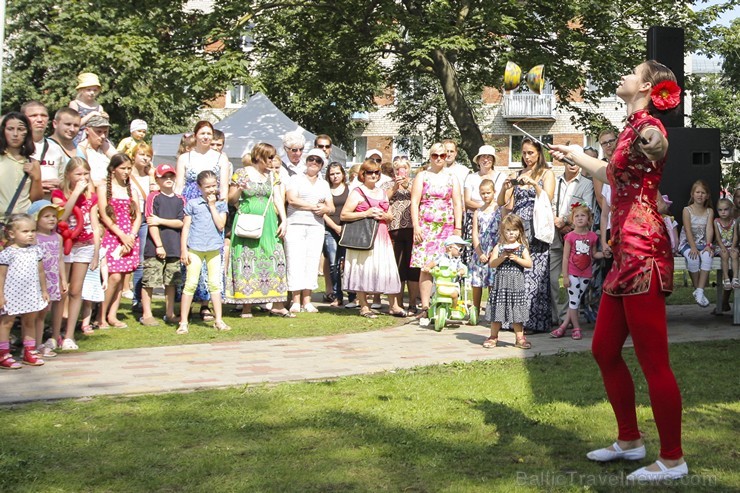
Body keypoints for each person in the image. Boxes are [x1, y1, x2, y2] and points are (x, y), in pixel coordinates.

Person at [550, 60, 687, 481]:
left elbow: (657, 145)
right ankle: (629, 440)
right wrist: (577, 156)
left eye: (632, 71)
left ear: (645, 85)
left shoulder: (648, 127)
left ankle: (673, 459)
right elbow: (610, 173)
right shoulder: (627, 127)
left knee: (653, 361)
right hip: (623, 252)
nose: (623, 74)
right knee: (604, 349)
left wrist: (651, 138)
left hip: (644, 249)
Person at [225, 143, 293, 317]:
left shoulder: (273, 176)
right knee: (247, 258)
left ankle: (277, 303)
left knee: (275, 256)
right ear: (260, 156)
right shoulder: (242, 173)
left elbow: (278, 198)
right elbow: (231, 199)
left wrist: (283, 220)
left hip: (268, 220)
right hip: (246, 219)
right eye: (269, 157)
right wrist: (239, 189)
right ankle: (246, 305)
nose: (272, 161)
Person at [174, 121, 231, 321]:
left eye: (209, 134)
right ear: (196, 135)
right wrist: (178, 207)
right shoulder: (185, 157)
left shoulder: (220, 157)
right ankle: (187, 303)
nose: (206, 137)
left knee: (211, 258)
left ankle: (206, 305)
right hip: (191, 203)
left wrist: (219, 206)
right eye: (203, 133)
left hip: (213, 205)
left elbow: (224, 186)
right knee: (191, 255)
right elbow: (179, 184)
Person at [497, 138, 555, 333]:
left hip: (537, 227)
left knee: (535, 275)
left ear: (539, 153)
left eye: (530, 153)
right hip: (519, 228)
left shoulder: (546, 173)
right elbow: (503, 203)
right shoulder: (518, 173)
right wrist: (505, 187)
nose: (527, 157)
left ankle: (533, 321)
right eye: (524, 153)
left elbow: (548, 198)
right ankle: (513, 320)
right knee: (517, 273)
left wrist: (534, 184)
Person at [341, 159, 401, 319]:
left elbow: (389, 215)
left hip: (382, 235)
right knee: (363, 268)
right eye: (369, 172)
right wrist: (365, 213)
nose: (373, 175)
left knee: (386, 268)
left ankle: (394, 306)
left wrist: (385, 215)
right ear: (363, 174)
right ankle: (364, 306)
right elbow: (344, 214)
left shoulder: (381, 192)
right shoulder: (357, 192)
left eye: (376, 172)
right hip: (364, 236)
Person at [410, 142, 462, 327]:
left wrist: (458, 228)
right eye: (435, 155)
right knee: (426, 267)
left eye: (443, 155)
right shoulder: (422, 176)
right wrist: (416, 226)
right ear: (430, 156)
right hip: (426, 227)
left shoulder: (452, 177)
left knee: (447, 266)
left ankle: (446, 304)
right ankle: (424, 306)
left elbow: (457, 203)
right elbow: (414, 202)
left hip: (446, 228)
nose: (439, 158)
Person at [51, 157, 101, 351]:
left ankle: (70, 335)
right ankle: (55, 335)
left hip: (85, 245)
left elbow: (95, 226)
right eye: (78, 174)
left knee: (75, 291)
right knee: (62, 291)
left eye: (85, 174)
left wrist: (96, 253)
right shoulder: (58, 194)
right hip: (64, 245)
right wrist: (76, 193)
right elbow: (61, 216)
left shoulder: (92, 197)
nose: (83, 177)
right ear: (68, 175)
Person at [178, 170, 229, 334]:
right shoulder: (193, 204)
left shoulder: (221, 204)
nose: (211, 189)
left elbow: (221, 225)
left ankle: (218, 320)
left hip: (214, 248)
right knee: (191, 283)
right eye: (207, 187)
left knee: (215, 284)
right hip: (195, 248)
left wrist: (213, 206)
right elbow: (186, 227)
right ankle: (183, 322)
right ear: (199, 187)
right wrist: (183, 250)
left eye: (214, 186)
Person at [285, 149, 334, 313]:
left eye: (318, 161)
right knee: (294, 260)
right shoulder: (295, 178)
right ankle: (295, 300)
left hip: (316, 226)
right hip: (295, 223)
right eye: (311, 159)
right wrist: (314, 206)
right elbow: (292, 200)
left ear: (322, 165)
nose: (314, 163)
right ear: (306, 161)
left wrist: (325, 208)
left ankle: (307, 300)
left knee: (312, 261)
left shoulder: (324, 184)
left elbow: (331, 207)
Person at [97, 154, 142, 328]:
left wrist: (131, 235)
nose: (126, 171)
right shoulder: (103, 189)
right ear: (113, 169)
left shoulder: (132, 190)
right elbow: (105, 215)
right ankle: (101, 315)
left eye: (129, 168)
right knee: (113, 277)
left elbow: (137, 216)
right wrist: (121, 235)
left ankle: (112, 315)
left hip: (129, 237)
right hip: (112, 236)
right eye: (122, 168)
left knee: (123, 275)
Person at [0, 214, 49, 368]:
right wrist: (0, 295)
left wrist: (44, 290)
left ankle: (29, 351)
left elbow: (41, 272)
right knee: (7, 322)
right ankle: (3, 354)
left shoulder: (36, 250)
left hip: (31, 293)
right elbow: (1, 275)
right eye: (25, 231)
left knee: (29, 321)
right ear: (12, 234)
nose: (30, 234)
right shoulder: (7, 253)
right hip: (12, 294)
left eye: (33, 231)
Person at [550, 158, 594, 326]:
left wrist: (567, 223)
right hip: (555, 235)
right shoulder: (555, 181)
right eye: (568, 160)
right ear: (562, 162)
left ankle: (566, 318)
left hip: (576, 237)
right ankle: (556, 315)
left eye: (575, 160)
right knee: (552, 278)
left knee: (573, 280)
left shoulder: (586, 184)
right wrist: (557, 223)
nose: (572, 163)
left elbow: (587, 208)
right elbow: (549, 205)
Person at [140, 164, 184, 326]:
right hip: (154, 247)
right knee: (150, 281)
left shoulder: (180, 199)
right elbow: (151, 222)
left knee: (171, 282)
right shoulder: (153, 197)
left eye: (171, 176)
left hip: (174, 247)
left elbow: (181, 222)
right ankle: (147, 314)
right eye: (164, 176)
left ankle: (170, 313)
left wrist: (161, 220)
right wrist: (159, 245)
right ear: (157, 179)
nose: (168, 179)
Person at [551, 204, 603, 340]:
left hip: (585, 274)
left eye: (583, 216)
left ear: (589, 219)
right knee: (574, 301)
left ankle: (563, 327)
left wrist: (604, 254)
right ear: (572, 219)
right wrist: (566, 276)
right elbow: (565, 257)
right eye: (577, 216)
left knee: (576, 301)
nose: (580, 218)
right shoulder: (570, 237)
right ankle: (576, 328)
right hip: (573, 273)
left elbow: (594, 254)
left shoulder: (592, 237)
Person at [484, 214, 532, 349]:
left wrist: (517, 259)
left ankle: (520, 338)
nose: (511, 233)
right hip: (501, 284)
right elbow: (492, 264)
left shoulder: (522, 247)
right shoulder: (499, 247)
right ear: (503, 231)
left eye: (514, 230)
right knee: (497, 310)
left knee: (517, 311)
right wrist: (503, 257)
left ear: (520, 231)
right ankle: (493, 336)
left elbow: (528, 263)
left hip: (516, 284)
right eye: (508, 230)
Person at [28, 200, 66, 357]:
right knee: (33, 314)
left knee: (43, 313)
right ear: (36, 219)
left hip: (51, 281)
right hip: (36, 282)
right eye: (46, 216)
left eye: (54, 216)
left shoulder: (58, 238)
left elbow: (60, 259)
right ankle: (32, 345)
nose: (52, 219)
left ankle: (38, 344)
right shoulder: (34, 237)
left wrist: (63, 279)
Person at [383, 156, 419, 316]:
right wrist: (395, 188)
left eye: (403, 168)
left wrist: (406, 185)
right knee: (397, 268)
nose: (400, 171)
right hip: (394, 229)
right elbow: (383, 200)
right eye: (397, 168)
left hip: (412, 229)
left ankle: (412, 303)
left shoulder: (414, 183)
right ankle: (397, 304)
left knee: (412, 268)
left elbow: (420, 198)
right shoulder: (387, 185)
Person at [463, 145, 506, 265]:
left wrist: (491, 210)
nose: (486, 160)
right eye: (483, 157)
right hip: (476, 219)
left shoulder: (501, 177)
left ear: (493, 160)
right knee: (475, 258)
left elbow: (505, 199)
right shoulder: (471, 177)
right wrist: (484, 209)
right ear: (478, 159)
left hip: (496, 220)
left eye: (489, 157)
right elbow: (467, 200)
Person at [0, 112, 44, 222]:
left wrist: (36, 178)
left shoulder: (33, 163)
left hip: (24, 223)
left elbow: (36, 198)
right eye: (10, 129)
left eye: (20, 129)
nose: (15, 134)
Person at [677, 179, 714, 307]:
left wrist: (708, 245)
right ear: (692, 194)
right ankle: (697, 289)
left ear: (707, 196)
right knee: (693, 258)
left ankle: (699, 291)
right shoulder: (687, 210)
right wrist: (692, 247)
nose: (700, 195)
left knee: (707, 256)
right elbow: (687, 229)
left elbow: (709, 229)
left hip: (703, 243)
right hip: (687, 243)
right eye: (697, 192)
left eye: (703, 193)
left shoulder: (709, 211)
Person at [129, 143, 156, 311]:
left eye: (148, 155)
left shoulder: (150, 176)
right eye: (142, 154)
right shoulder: (126, 174)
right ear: (134, 156)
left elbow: (154, 195)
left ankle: (137, 299)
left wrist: (152, 175)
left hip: (145, 218)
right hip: (129, 217)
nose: (145, 158)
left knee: (141, 260)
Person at [21, 101, 66, 197]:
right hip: (22, 208)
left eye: (44, 115)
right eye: (33, 116)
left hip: (49, 207)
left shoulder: (56, 148)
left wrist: (60, 184)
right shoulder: (15, 148)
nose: (40, 119)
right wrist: (36, 186)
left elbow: (65, 180)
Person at [322, 163, 350, 306]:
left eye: (337, 173)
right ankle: (337, 295)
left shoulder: (349, 190)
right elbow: (322, 212)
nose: (335, 176)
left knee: (347, 263)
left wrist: (343, 228)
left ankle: (352, 296)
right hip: (330, 229)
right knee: (333, 263)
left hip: (347, 229)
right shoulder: (325, 190)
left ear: (343, 174)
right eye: (332, 174)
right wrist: (334, 227)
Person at [470, 179, 497, 322]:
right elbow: (475, 232)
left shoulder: (498, 210)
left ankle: (492, 310)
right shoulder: (478, 211)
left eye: (488, 193)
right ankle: (475, 309)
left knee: (492, 281)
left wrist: (494, 251)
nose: (485, 196)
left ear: (494, 192)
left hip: (494, 248)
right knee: (477, 281)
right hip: (480, 248)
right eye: (483, 193)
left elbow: (501, 232)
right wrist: (479, 252)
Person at [422, 235, 469, 311]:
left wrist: (461, 272)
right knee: (435, 295)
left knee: (454, 294)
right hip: (440, 283)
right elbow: (433, 263)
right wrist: (428, 268)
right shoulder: (441, 257)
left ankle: (453, 308)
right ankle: (432, 310)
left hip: (452, 284)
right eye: (460, 249)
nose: (462, 252)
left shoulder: (457, 260)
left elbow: (461, 268)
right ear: (450, 248)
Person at [77, 114, 116, 186]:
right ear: (87, 130)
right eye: (99, 132)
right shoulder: (81, 150)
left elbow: (120, 163)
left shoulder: (107, 149)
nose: (103, 136)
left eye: (105, 132)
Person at [69, 72, 108, 145]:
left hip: (96, 137)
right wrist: (92, 114)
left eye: (95, 90)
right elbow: (75, 124)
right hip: (78, 138)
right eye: (89, 90)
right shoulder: (75, 104)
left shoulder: (99, 107)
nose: (92, 92)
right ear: (81, 90)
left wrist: (105, 118)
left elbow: (102, 127)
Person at [46, 107, 81, 176]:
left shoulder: (81, 149)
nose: (72, 129)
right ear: (55, 124)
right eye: (68, 124)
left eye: (76, 125)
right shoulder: (46, 147)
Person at [80, 246, 107, 333]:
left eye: (101, 237)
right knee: (77, 301)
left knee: (88, 303)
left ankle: (85, 324)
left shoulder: (101, 251)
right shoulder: (83, 249)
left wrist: (105, 280)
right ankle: (69, 323)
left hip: (93, 280)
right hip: (83, 279)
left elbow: (104, 266)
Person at [713, 197, 738, 291]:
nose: (723, 212)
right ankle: (726, 278)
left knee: (734, 254)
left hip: (731, 245)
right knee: (724, 254)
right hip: (720, 246)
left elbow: (735, 236)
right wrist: (723, 247)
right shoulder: (716, 222)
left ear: (731, 209)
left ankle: (735, 279)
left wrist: (732, 247)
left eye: (726, 209)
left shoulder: (734, 222)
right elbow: (718, 237)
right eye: (720, 210)